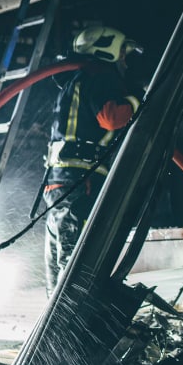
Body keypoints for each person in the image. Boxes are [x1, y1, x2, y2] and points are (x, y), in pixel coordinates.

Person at [41, 25, 142, 294]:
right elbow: (110, 118)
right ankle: (69, 329)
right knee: (76, 267)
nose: (125, 62)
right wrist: (137, 102)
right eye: (122, 54)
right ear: (106, 50)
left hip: (60, 183)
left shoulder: (76, 81)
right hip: (80, 182)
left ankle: (55, 328)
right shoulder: (101, 76)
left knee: (61, 267)